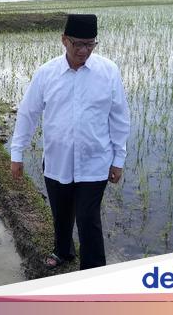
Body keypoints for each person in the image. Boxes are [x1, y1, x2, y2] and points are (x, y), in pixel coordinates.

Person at [10, 14, 130, 270]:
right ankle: (63, 251)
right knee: (61, 214)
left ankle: (93, 270)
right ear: (64, 40)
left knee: (88, 218)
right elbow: (28, 113)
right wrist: (17, 153)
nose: (84, 51)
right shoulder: (47, 73)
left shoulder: (108, 72)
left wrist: (118, 159)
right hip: (57, 159)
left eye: (90, 44)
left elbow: (119, 117)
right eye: (78, 44)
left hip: (95, 161)